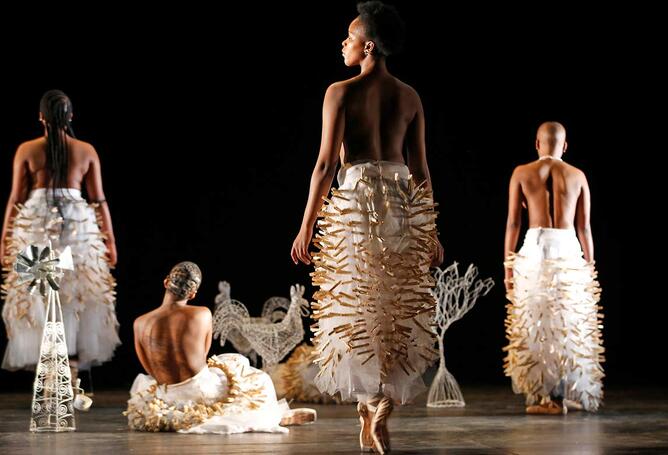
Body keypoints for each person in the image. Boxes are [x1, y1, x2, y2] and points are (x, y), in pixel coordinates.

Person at [290, 2, 442, 452]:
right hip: (397, 204)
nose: (343, 43)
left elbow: (322, 166)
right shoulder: (410, 96)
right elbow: (422, 172)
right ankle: (378, 407)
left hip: (356, 203)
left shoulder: (340, 91)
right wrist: (430, 229)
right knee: (393, 304)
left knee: (356, 302)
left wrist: (305, 226)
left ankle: (367, 404)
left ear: (368, 45)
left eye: (349, 36)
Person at [1, 90, 120, 384]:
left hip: (36, 222)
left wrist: (4, 238)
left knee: (40, 291)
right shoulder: (86, 150)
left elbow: (16, 198)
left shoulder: (26, 150)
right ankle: (70, 369)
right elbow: (99, 199)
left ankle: (54, 370)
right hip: (79, 224)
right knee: (76, 292)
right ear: (70, 117)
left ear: (40, 117)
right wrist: (110, 242)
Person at [503, 121, 604, 415]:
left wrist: (508, 268)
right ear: (566, 146)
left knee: (536, 319)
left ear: (537, 144)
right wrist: (589, 267)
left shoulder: (522, 173)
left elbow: (513, 223)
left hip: (536, 245)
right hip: (568, 246)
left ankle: (547, 397)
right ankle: (567, 391)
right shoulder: (578, 175)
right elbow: (584, 228)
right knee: (568, 320)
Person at [126, 262, 288, 434]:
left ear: (166, 282)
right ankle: (270, 415)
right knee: (258, 377)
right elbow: (204, 353)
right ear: (193, 293)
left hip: (165, 395)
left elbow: (149, 368)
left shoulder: (140, 323)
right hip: (201, 391)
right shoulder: (202, 313)